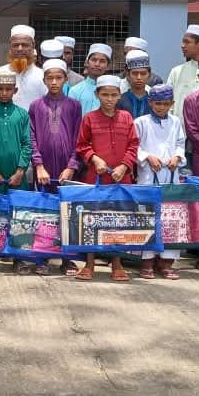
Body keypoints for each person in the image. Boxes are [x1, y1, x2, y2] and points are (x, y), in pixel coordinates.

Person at [74, 74, 139, 282]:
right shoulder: (89, 118)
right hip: (96, 177)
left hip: (121, 178)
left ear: (120, 95)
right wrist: (94, 158)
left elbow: (134, 145)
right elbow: (81, 145)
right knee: (92, 219)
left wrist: (124, 166)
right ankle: (89, 264)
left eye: (113, 95)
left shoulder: (127, 118)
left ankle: (117, 264)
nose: (109, 99)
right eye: (105, 95)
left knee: (119, 219)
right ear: (97, 95)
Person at [134, 84, 185, 280]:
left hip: (170, 174)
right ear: (150, 103)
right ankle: (146, 262)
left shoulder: (175, 121)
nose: (161, 107)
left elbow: (180, 143)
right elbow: (134, 146)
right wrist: (147, 157)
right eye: (157, 103)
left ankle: (167, 263)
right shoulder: (141, 122)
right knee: (148, 216)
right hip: (148, 175)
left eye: (165, 104)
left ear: (172, 103)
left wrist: (177, 157)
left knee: (170, 218)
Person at [30, 59, 82, 193]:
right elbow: (31, 137)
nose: (54, 82)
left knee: (66, 202)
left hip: (67, 167)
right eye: (50, 78)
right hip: (43, 168)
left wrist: (71, 166)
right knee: (44, 202)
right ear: (44, 80)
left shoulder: (74, 105)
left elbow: (78, 138)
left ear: (66, 79)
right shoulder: (36, 106)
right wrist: (39, 165)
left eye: (58, 78)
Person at [0, 71, 33, 192]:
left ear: (15, 90)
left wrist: (20, 172)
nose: (4, 93)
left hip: (17, 175)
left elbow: (27, 144)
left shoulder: (22, 114)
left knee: (16, 203)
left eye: (8, 89)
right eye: (0, 89)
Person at [0, 25, 48, 110]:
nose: (20, 49)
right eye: (15, 45)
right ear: (10, 47)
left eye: (25, 45)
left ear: (33, 46)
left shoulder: (43, 76)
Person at [66, 43, 113, 114]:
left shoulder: (113, 91)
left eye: (102, 61)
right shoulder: (75, 90)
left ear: (108, 66)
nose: (97, 64)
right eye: (94, 60)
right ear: (87, 63)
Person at [117, 50, 153, 119]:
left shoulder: (154, 100)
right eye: (135, 73)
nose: (139, 77)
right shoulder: (120, 99)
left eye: (143, 74)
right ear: (128, 74)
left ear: (149, 74)